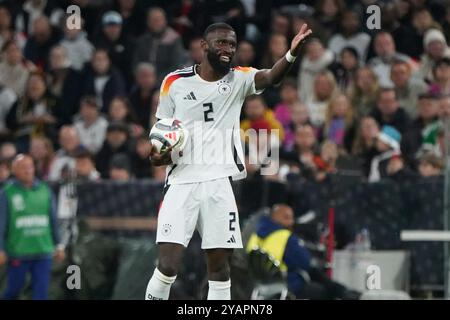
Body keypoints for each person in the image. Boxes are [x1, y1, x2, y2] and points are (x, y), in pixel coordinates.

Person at [145, 22, 312, 300]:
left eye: (232, 45)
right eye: (221, 43)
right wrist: (157, 154)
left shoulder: (239, 79)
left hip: (220, 184)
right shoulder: (174, 82)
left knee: (221, 269)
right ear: (204, 45)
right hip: (181, 182)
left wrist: (291, 54)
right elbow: (160, 139)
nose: (228, 49)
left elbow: (271, 77)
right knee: (167, 266)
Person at [246, 204, 359, 299]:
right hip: (286, 284)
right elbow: (305, 262)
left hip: (259, 285)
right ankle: (343, 292)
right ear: (274, 218)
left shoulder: (255, 235)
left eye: (291, 218)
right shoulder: (284, 236)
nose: (291, 222)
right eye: (286, 217)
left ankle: (343, 291)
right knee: (322, 289)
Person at [0, 154, 65, 300]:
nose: (28, 171)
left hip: (43, 250)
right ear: (14, 170)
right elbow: (1, 224)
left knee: (41, 293)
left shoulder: (45, 190)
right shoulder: (7, 193)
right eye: (23, 167)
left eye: (30, 166)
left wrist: (59, 245)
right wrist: (1, 249)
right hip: (18, 251)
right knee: (13, 289)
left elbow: (53, 220)